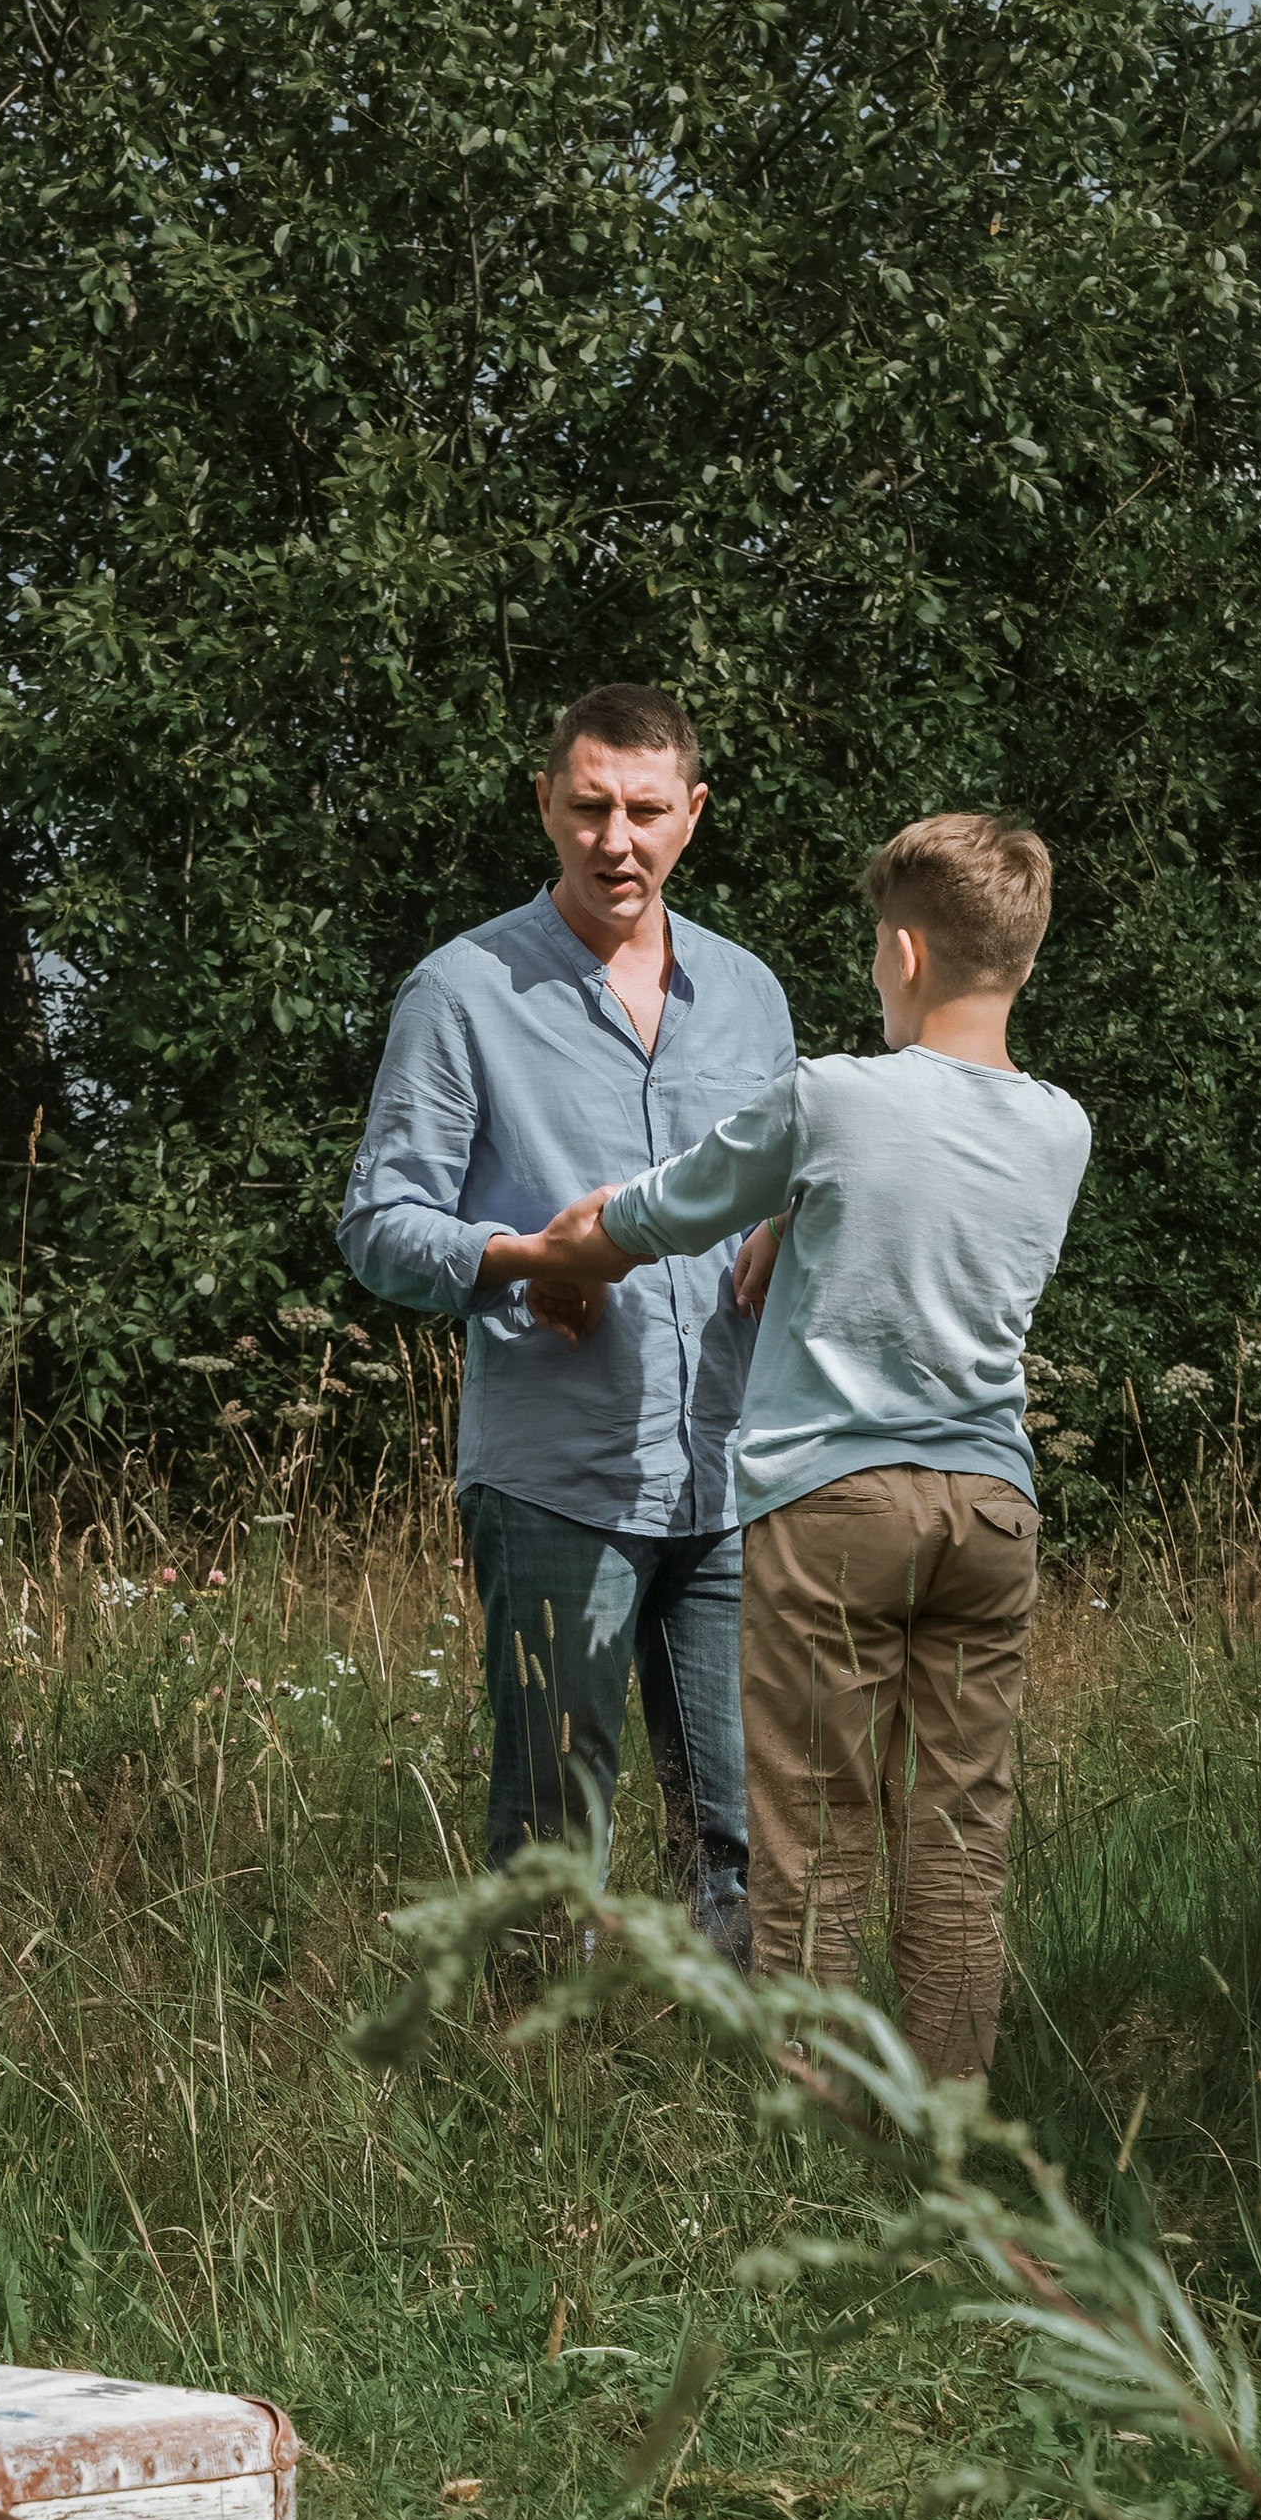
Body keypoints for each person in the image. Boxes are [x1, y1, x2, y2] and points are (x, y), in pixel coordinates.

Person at [504, 813, 1090, 2081]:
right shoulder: (1059, 1126)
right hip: (991, 1507)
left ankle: (827, 2141)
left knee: (816, 1834)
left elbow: (659, 1214)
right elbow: (909, 1205)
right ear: (1024, 962)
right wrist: (792, 1214)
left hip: (836, 1503)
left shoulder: (829, 1096)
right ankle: (944, 2137)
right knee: (956, 1841)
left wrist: (561, 1254)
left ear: (902, 953)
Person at [339, 682, 794, 1956]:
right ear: (544, 804)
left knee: (735, 1828)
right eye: (589, 806)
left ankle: (739, 2104)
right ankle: (535, 2111)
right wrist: (519, 1255)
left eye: (646, 810)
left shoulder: (753, 997)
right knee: (552, 1828)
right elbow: (377, 1223)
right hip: (555, 1476)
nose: (617, 840)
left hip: (724, 1472)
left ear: (692, 815)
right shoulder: (461, 990)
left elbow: (785, 1187)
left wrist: (785, 1226)